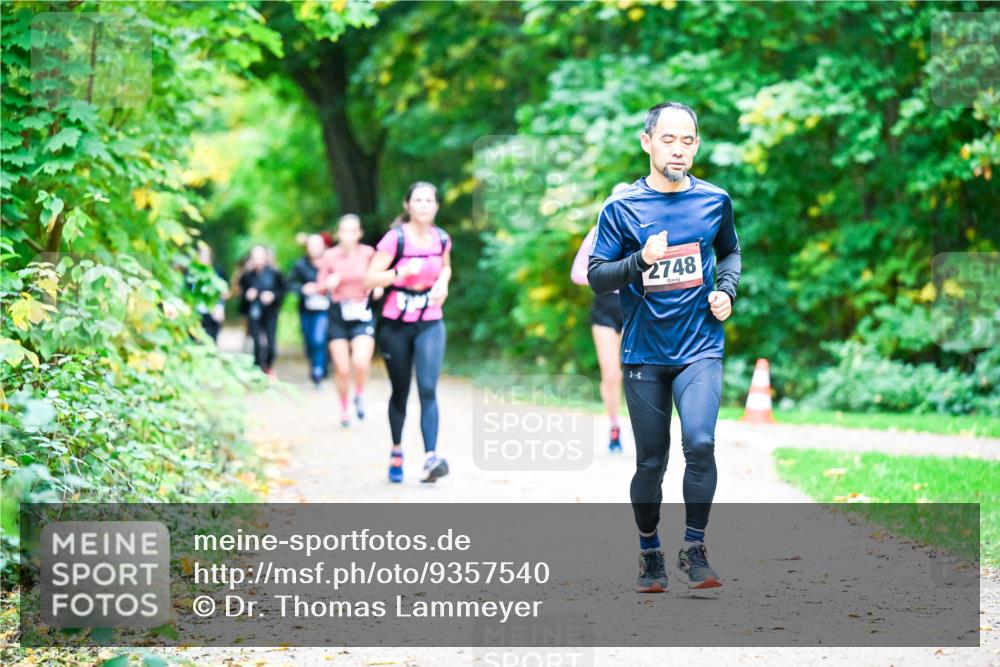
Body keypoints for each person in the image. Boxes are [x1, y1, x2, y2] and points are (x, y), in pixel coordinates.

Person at [587, 102, 742, 593]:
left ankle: (694, 549)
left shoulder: (715, 200)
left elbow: (729, 251)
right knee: (651, 461)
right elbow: (596, 276)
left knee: (700, 443)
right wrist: (639, 260)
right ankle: (650, 551)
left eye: (688, 140)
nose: (680, 148)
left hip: (700, 347)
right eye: (670, 139)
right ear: (647, 142)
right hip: (644, 354)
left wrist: (727, 291)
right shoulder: (621, 208)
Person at [365, 182, 452, 484]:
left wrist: (443, 284)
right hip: (396, 323)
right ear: (408, 205)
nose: (424, 204)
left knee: (428, 388)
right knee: (400, 392)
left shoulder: (441, 238)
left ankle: (431, 458)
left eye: (430, 199)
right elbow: (369, 278)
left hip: (429, 320)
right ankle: (397, 449)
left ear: (436, 206)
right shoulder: (395, 239)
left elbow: (446, 268)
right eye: (418, 199)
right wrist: (400, 273)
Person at [571, 182, 630, 453]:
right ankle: (614, 426)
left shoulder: (641, 236)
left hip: (635, 307)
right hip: (605, 307)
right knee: (611, 373)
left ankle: (643, 428)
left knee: (640, 372)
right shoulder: (596, 234)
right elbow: (577, 273)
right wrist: (604, 278)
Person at [317, 214, 380, 426]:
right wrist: (328, 283)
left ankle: (359, 394)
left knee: (360, 362)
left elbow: (379, 276)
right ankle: (344, 408)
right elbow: (320, 285)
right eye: (344, 230)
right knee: (342, 368)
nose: (348, 235)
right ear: (338, 233)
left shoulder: (368, 253)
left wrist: (378, 287)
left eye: (353, 230)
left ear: (359, 233)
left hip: (362, 312)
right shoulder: (330, 256)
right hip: (338, 314)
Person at [289, 234, 331, 388]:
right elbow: (291, 284)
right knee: (309, 341)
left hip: (325, 308)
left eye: (317, 246)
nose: (314, 249)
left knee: (319, 338)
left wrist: (326, 287)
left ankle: (319, 371)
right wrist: (303, 288)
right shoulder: (300, 264)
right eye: (311, 246)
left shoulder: (330, 262)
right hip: (306, 308)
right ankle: (315, 366)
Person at [239, 244, 286, 377]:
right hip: (254, 313)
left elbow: (283, 290)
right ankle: (258, 370)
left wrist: (272, 296)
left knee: (271, 346)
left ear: (266, 257)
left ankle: (268, 366)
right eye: (255, 256)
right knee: (257, 345)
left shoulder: (275, 273)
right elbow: (241, 295)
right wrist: (247, 295)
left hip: (270, 313)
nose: (257, 259)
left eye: (260, 256)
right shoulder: (247, 275)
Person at [187, 242, 227, 342]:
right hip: (195, 313)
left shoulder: (217, 272)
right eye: (201, 256)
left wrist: (220, 307)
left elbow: (223, 292)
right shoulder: (190, 273)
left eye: (206, 256)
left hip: (212, 312)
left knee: (211, 341)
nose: (203, 259)